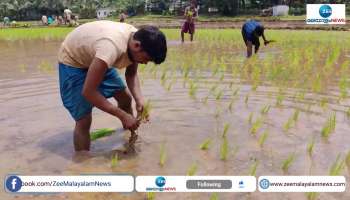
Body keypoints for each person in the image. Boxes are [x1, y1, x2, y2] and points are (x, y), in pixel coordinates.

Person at [58, 21, 167, 151]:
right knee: (84, 119)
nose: (145, 63)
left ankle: (130, 137)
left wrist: (139, 100)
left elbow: (131, 75)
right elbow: (88, 92)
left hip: (97, 57)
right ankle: (83, 161)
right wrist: (122, 115)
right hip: (73, 61)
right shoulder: (111, 48)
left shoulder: (137, 39)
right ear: (137, 46)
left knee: (126, 98)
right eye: (146, 59)